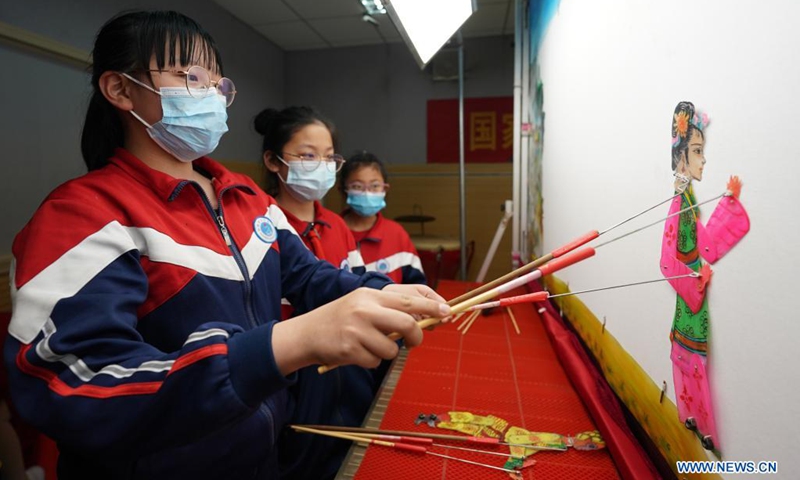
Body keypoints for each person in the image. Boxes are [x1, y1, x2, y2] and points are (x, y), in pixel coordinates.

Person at [3, 11, 449, 480]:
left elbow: (310, 276)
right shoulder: (83, 214)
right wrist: (285, 343)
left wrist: (381, 294)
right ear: (120, 90)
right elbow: (73, 383)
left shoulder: (243, 196)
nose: (213, 94)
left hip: (261, 456)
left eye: (217, 82)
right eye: (190, 76)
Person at [255, 110, 405, 479]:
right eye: (307, 155)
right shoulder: (260, 224)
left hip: (350, 371)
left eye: (329, 156)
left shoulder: (336, 224)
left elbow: (355, 284)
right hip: (296, 377)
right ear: (273, 161)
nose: (320, 166)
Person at [660, 101, 749, 452]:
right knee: (689, 358)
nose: (703, 160)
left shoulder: (690, 199)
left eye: (702, 151)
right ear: (682, 156)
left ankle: (697, 420)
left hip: (692, 293)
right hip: (690, 295)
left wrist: (728, 202)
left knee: (690, 357)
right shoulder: (679, 203)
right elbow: (667, 262)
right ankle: (699, 421)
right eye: (697, 151)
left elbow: (705, 246)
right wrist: (696, 281)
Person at [339, 151, 426, 285]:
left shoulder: (397, 234)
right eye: (357, 186)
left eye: (374, 186)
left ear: (385, 189)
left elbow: (418, 287)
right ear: (344, 189)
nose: (367, 193)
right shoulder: (332, 232)